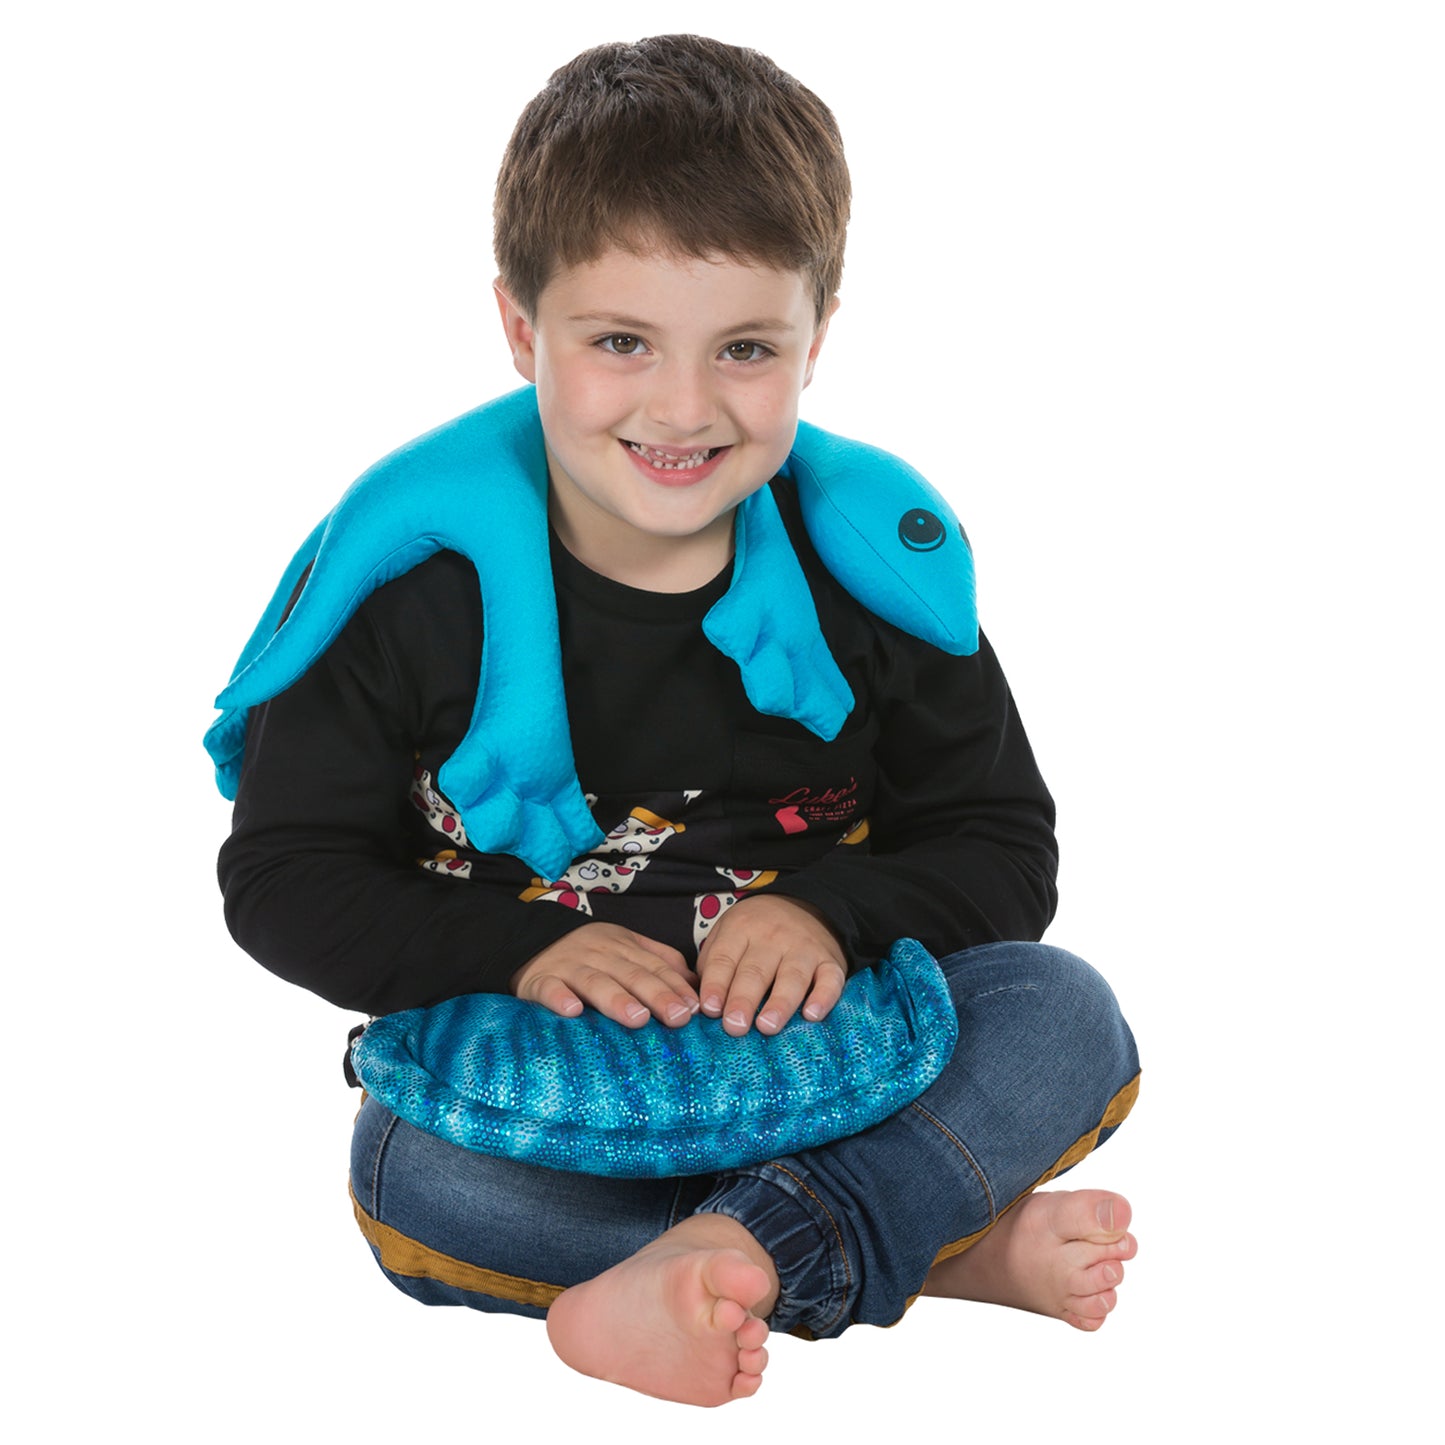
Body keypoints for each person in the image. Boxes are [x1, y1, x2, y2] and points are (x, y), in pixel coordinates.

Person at [217, 34, 1140, 1408]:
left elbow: (1001, 845)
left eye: (746, 349)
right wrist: (520, 950)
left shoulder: (872, 576)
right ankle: (911, 1238)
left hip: (831, 1048)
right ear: (520, 328)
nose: (684, 406)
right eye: (620, 342)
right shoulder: (406, 600)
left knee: (1064, 1015)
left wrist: (831, 911)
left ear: (818, 337)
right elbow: (283, 879)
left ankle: (741, 1250)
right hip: (554, 1097)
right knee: (416, 1176)